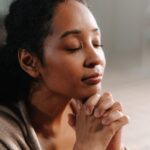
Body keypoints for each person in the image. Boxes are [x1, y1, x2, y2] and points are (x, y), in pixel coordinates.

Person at [0, 0, 129, 149]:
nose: (96, 59)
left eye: (96, 43)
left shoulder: (91, 119)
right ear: (30, 62)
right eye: (73, 47)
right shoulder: (5, 137)